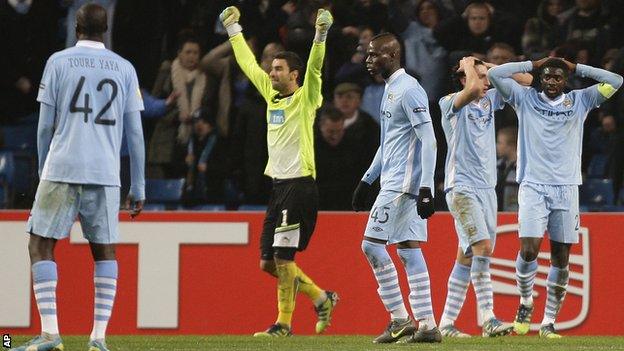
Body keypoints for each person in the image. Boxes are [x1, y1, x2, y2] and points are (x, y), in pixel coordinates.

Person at [12, 4, 145, 351]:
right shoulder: (126, 69)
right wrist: (139, 184)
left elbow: (44, 125)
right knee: (104, 251)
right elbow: (135, 132)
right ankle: (98, 338)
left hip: (63, 166)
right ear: (106, 27)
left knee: (40, 244)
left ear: (76, 26)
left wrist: (44, 168)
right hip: (105, 171)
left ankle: (51, 334)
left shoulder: (58, 62)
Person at [219, 6, 338, 337]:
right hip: (278, 188)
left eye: (278, 69)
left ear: (293, 75)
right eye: (271, 69)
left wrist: (320, 35)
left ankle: (283, 323)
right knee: (267, 263)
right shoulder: (271, 98)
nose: (270, 73)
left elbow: (315, 68)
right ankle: (320, 296)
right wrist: (234, 29)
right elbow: (246, 63)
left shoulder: (306, 99)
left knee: (284, 260)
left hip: (299, 186)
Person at [488, 57, 622, 338]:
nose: (551, 82)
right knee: (529, 249)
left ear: (565, 80)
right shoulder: (524, 98)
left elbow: (616, 81)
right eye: (547, 77)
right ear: (541, 78)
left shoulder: (580, 101)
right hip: (533, 186)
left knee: (561, 257)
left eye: (557, 77)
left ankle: (549, 322)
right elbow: (497, 74)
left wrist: (578, 67)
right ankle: (525, 301)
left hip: (566, 188)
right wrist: (532, 63)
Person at [352, 33, 440, 344]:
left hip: (403, 185)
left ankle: (400, 318)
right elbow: (389, 142)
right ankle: (427, 325)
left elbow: (429, 140)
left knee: (371, 245)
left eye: (374, 54)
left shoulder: (409, 90)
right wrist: (367, 178)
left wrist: (427, 186)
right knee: (407, 248)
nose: (369, 59)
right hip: (394, 181)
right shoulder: (390, 89)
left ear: (392, 55)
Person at [438, 57, 529, 338]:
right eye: (480, 76)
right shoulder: (450, 103)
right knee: (483, 247)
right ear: (463, 78)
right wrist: (467, 66)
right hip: (462, 187)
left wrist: (487, 65)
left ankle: (446, 323)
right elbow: (474, 89)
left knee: (467, 256)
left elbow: (526, 81)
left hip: (486, 189)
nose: (486, 81)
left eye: (486, 76)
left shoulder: (489, 99)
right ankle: (488, 318)